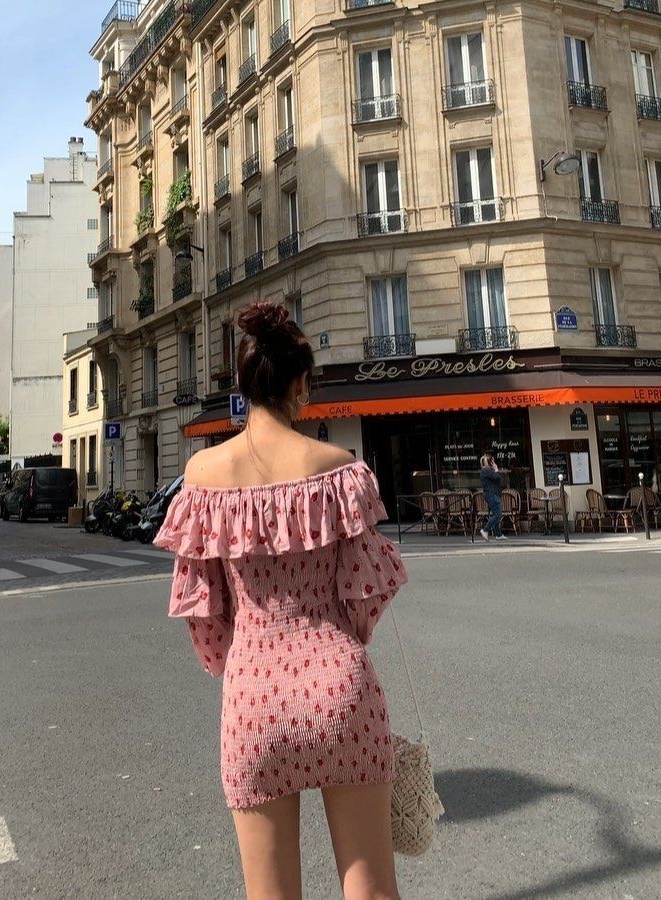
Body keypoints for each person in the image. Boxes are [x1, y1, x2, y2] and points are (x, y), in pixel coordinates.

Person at [155, 302, 407, 900]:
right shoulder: (339, 470)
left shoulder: (203, 476)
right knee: (372, 890)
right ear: (300, 385)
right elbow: (365, 595)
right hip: (341, 687)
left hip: (254, 696)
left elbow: (206, 613)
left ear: (242, 387)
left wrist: (238, 657)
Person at [479, 454, 505, 541]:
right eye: (492, 461)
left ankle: (498, 534)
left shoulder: (486, 471)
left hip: (491, 494)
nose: (493, 463)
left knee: (495, 514)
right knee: (498, 515)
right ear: (489, 462)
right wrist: (496, 469)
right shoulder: (486, 470)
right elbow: (497, 478)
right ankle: (485, 529)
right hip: (492, 494)